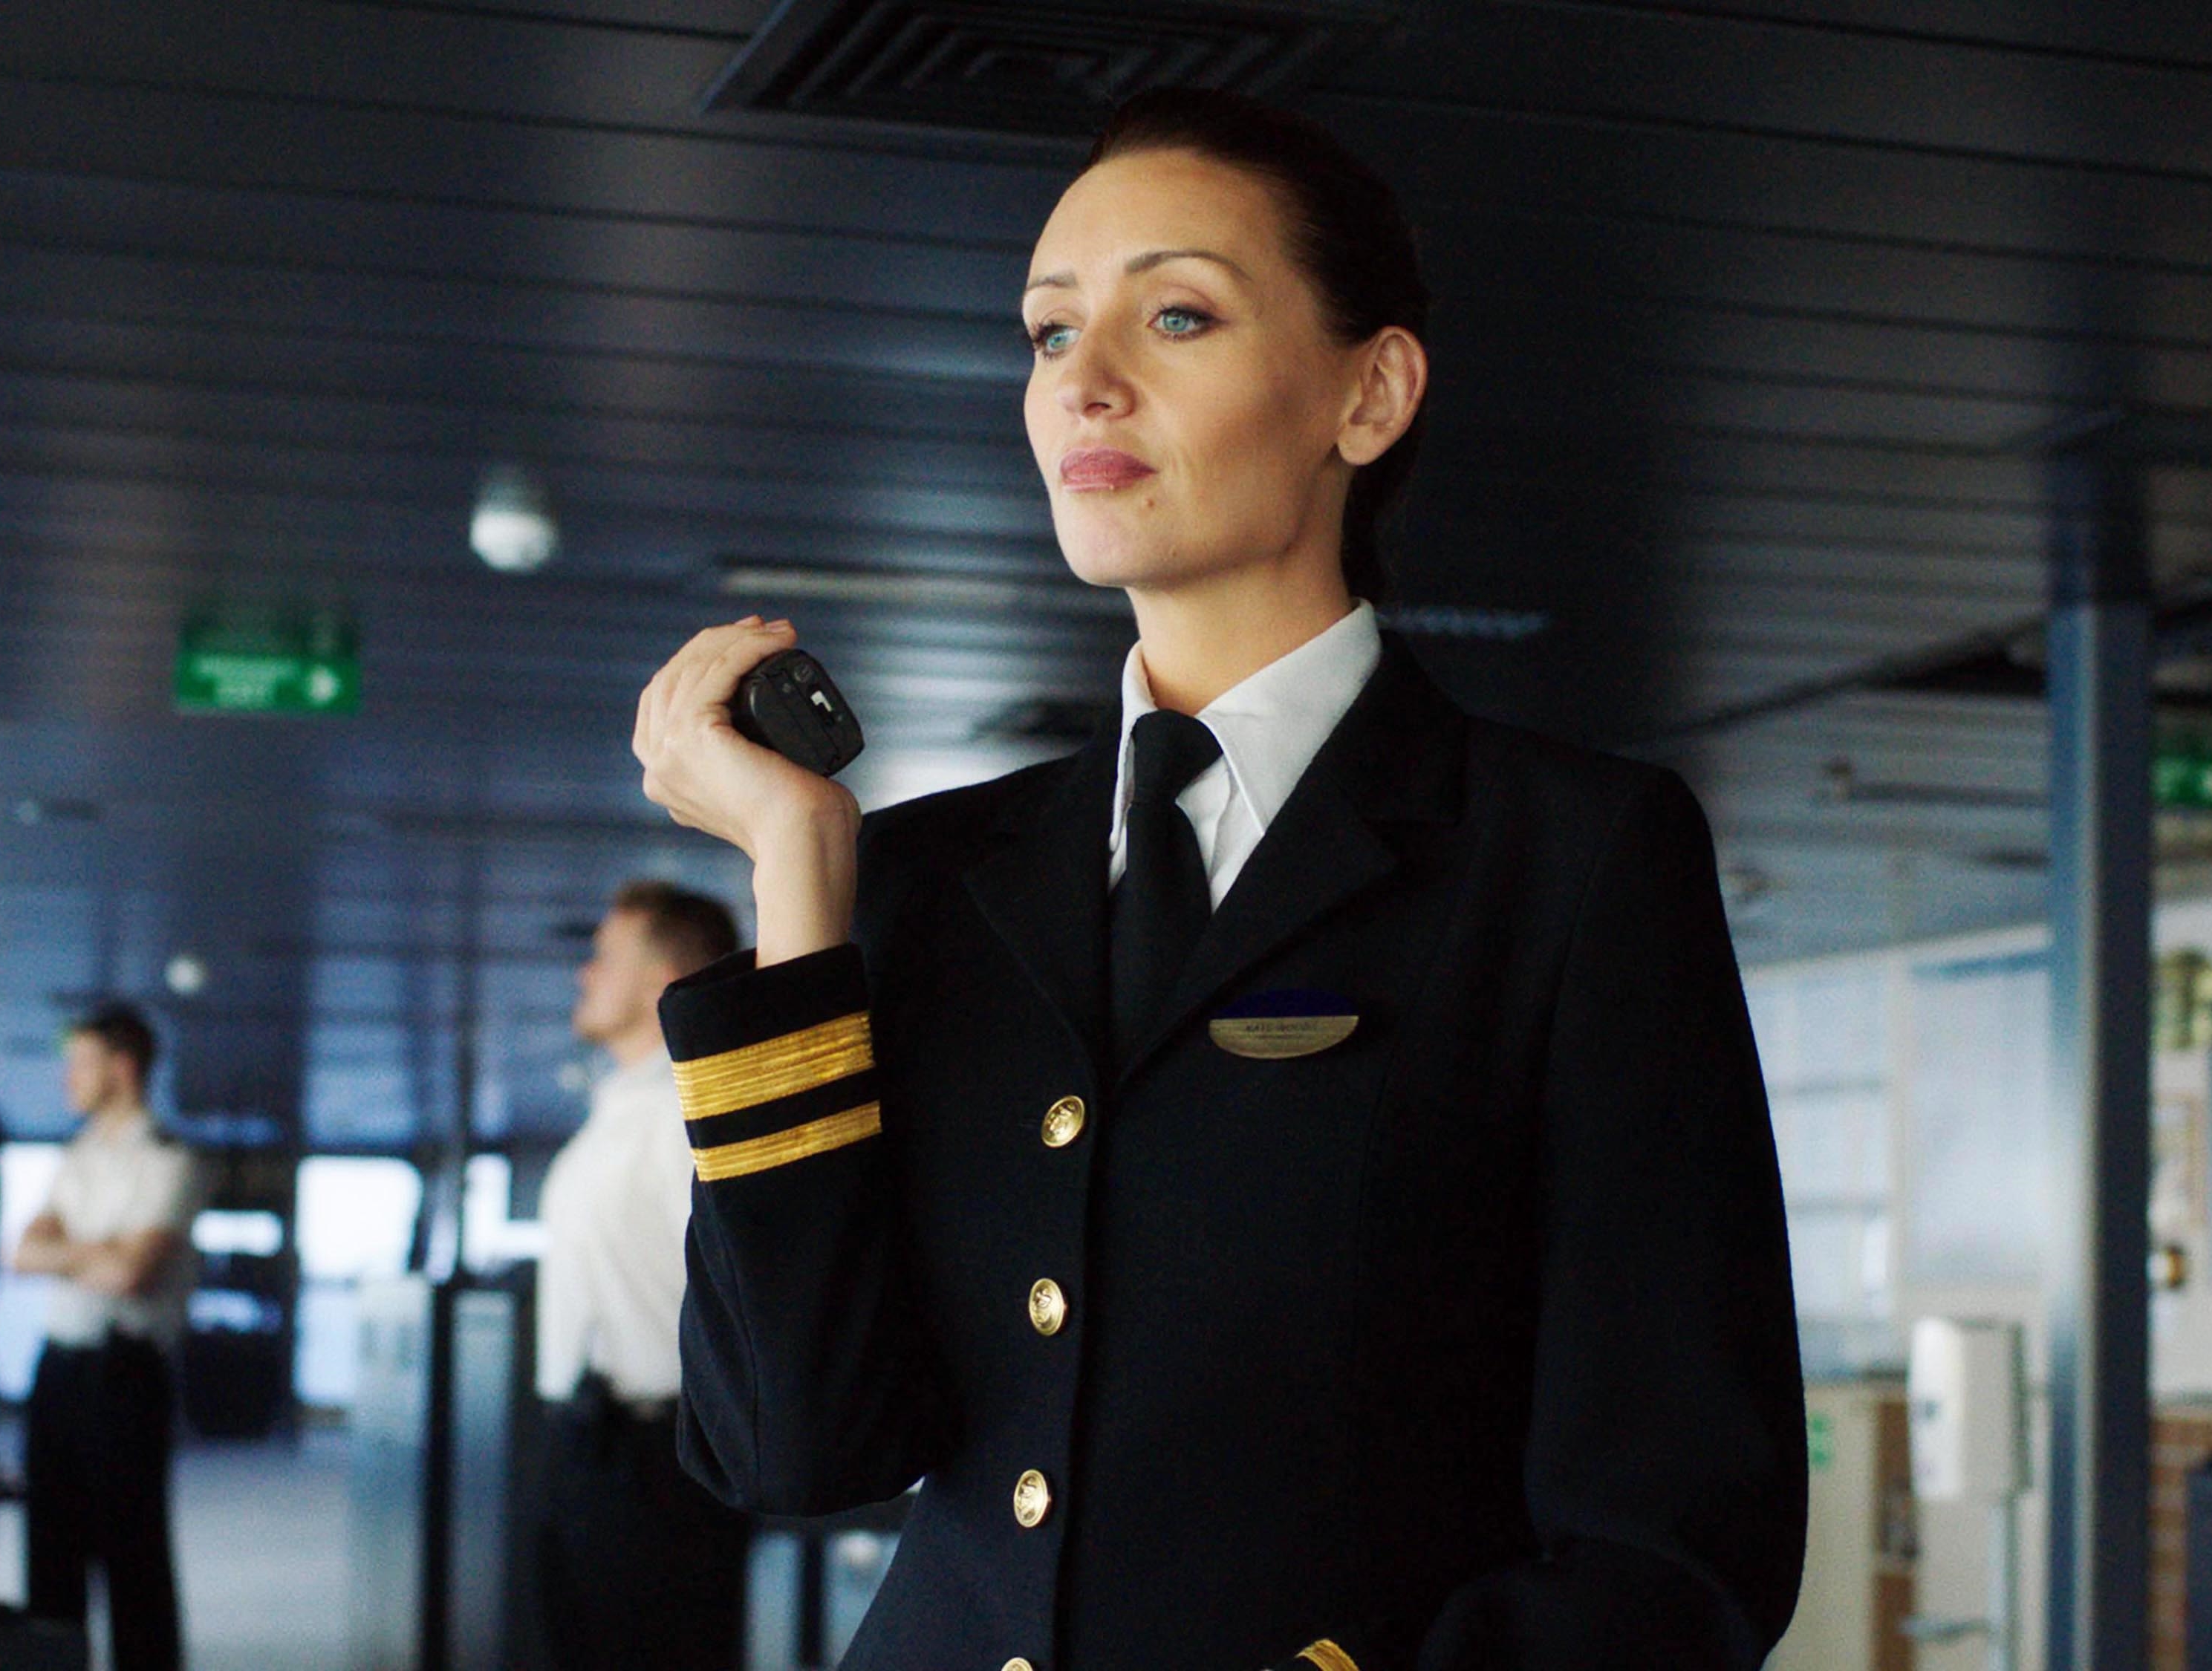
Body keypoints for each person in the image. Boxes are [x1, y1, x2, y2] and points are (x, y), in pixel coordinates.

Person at [631, 88, 1806, 1671]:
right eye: (1048, 336)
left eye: (1174, 315)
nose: (1083, 386)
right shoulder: (921, 877)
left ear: (1369, 394)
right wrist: (796, 882)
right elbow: (792, 1450)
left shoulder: (1564, 862)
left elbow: (1675, 1540)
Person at [533, 881, 753, 1671]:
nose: (582, 975)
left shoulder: (686, 1116)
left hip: (658, 1458)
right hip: (587, 1441)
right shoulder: (618, 1110)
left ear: (662, 979)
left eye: (602, 958)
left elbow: (737, 1297)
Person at [8, 1002, 204, 1671]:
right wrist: (97, 1251)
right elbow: (23, 1253)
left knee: (133, 1555)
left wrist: (75, 1251)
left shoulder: (169, 1160)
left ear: (122, 1068)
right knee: (50, 1547)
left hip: (126, 1374)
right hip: (58, 1369)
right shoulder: (78, 1155)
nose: (68, 1080)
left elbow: (130, 1274)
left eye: (81, 1064)